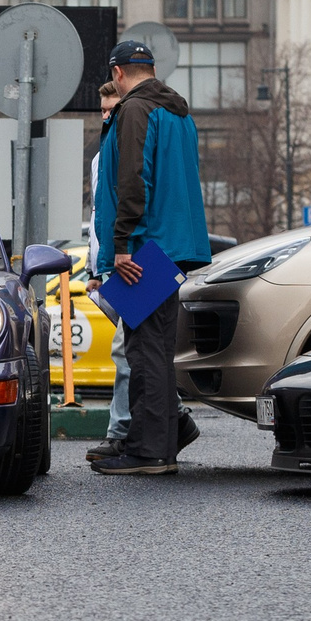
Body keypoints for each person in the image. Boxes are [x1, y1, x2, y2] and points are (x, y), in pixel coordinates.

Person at [90, 37, 211, 476]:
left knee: (145, 352)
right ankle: (158, 441)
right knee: (153, 349)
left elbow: (133, 180)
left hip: (143, 250)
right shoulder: (179, 111)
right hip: (173, 246)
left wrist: (121, 245)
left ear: (118, 73)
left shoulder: (135, 110)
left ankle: (149, 452)